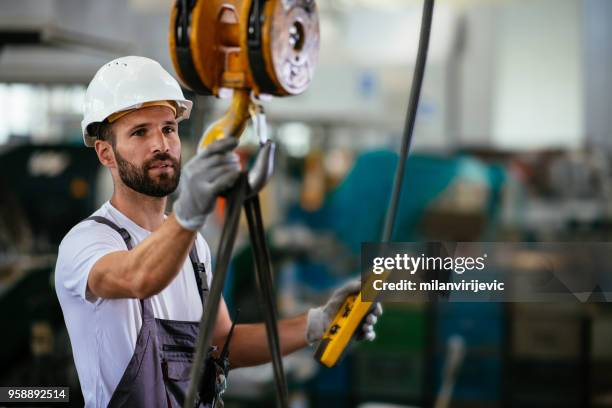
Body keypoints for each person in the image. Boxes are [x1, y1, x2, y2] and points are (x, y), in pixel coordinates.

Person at [54, 56, 382, 408]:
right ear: (106, 153)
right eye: (140, 132)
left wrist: (317, 323)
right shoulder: (87, 242)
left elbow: (225, 343)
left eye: (168, 128)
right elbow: (138, 277)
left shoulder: (193, 247)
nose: (161, 145)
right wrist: (189, 212)